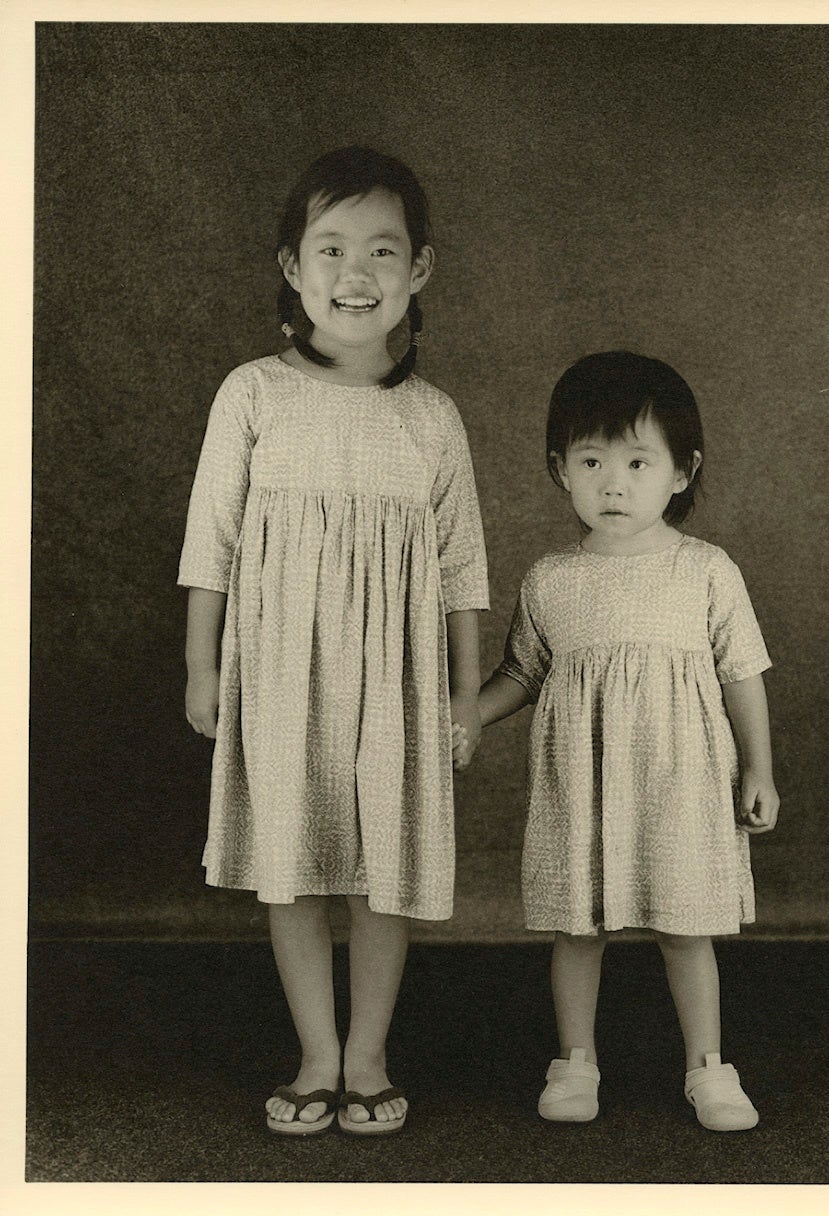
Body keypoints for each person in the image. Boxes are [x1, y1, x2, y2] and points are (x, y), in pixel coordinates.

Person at [180, 146, 487, 1136]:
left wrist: (464, 693)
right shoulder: (252, 394)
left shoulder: (432, 418)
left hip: (396, 678)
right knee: (294, 857)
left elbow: (461, 568)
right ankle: (316, 1053)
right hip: (279, 668)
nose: (356, 274)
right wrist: (201, 664)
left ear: (419, 270)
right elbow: (211, 542)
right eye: (331, 249)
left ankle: (368, 1055)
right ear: (292, 266)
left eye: (381, 251)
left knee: (381, 862)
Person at [453, 351, 778, 1131]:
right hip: (582, 783)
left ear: (680, 471)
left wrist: (759, 768)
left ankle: (708, 1067)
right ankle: (575, 1062)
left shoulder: (705, 571)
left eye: (637, 462)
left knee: (685, 929)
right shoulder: (549, 578)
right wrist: (466, 714)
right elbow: (521, 673)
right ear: (558, 470)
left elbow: (742, 672)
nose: (613, 484)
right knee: (577, 927)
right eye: (591, 462)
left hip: (681, 782)